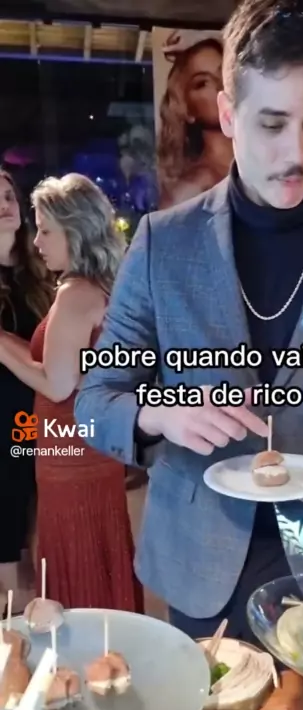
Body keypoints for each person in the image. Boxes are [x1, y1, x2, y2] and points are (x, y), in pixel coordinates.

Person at [75, 0, 303, 643]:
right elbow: (97, 399)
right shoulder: (162, 243)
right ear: (229, 115)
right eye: (272, 123)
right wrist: (159, 413)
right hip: (198, 558)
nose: (298, 152)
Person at [0, 173, 143, 613]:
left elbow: (55, 383)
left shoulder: (75, 293)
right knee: (97, 558)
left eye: (46, 231)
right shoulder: (100, 285)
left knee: (77, 563)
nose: (36, 241)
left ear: (74, 230)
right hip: (89, 450)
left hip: (70, 455)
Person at [0, 169, 53, 601]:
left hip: (42, 415)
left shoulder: (40, 273)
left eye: (8, 196)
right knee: (7, 523)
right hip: (4, 421)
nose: (4, 205)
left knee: (39, 523)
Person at [157, 34, 233, 208]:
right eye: (202, 83)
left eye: (223, 73)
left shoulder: (259, 166)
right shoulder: (192, 189)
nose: (220, 85)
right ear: (186, 109)